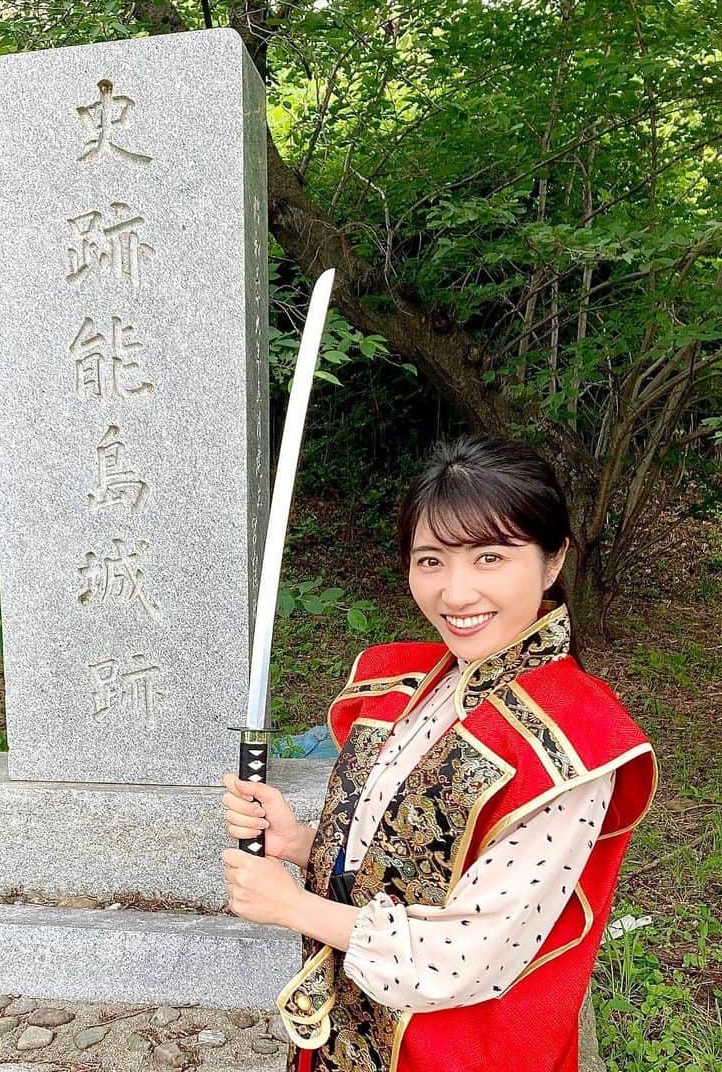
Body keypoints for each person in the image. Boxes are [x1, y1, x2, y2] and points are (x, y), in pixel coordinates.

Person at [220, 435, 658, 1072]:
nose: (455, 594)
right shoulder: (412, 685)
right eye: (431, 561)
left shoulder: (576, 745)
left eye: (490, 557)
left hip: (458, 1050)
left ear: (553, 560)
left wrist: (295, 908)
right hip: (346, 1033)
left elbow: (469, 951)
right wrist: (303, 842)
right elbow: (410, 861)